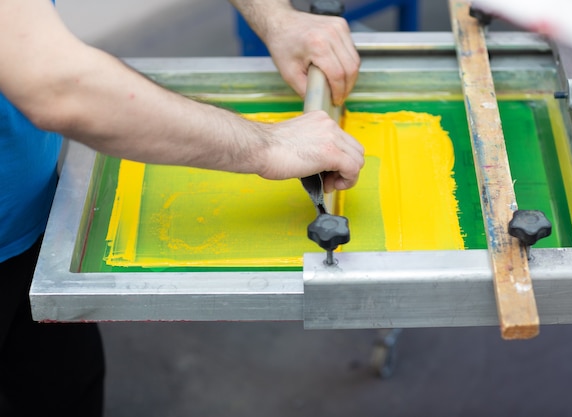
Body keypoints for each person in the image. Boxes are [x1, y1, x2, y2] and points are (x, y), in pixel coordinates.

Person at [0, 0, 364, 415]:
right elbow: (56, 86)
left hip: (32, 220)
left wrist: (277, 17)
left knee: (65, 388)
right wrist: (269, 145)